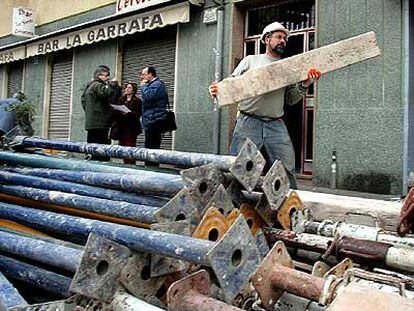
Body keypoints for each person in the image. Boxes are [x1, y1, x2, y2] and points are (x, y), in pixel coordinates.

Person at [209, 22, 321, 189]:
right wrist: (218, 89)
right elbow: (231, 83)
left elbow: (290, 99)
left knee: (286, 167)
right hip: (249, 122)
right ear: (267, 39)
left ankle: (288, 206)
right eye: (279, 37)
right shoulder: (251, 61)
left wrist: (305, 84)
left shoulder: (288, 68)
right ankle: (236, 207)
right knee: (242, 167)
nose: (283, 40)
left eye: (285, 38)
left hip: (275, 124)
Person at [82, 65, 119, 161]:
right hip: (100, 123)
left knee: (92, 148)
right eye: (106, 76)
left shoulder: (88, 85)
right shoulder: (97, 85)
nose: (108, 78)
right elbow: (106, 93)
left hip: (92, 123)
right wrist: (113, 84)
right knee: (101, 150)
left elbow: (83, 102)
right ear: (99, 76)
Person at [140, 66, 168, 166]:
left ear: (150, 74)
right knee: (149, 145)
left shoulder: (157, 84)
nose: (141, 77)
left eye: (143, 74)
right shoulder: (152, 84)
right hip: (151, 118)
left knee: (152, 146)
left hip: (155, 119)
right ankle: (149, 166)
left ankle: (151, 168)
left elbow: (148, 96)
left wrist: (143, 86)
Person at [113, 82, 142, 165]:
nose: (127, 89)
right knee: (123, 148)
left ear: (133, 90)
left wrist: (129, 113)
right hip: (122, 127)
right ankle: (125, 164)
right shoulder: (121, 99)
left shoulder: (137, 101)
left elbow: (138, 113)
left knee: (130, 147)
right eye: (126, 87)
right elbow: (116, 111)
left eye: (129, 88)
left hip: (131, 128)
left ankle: (131, 164)